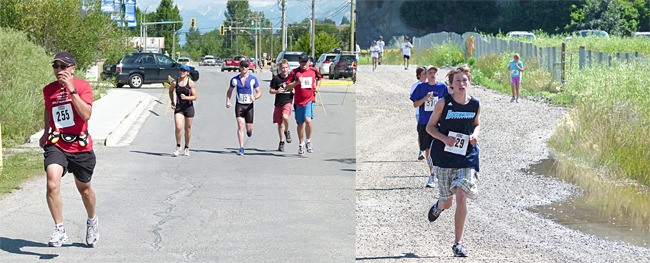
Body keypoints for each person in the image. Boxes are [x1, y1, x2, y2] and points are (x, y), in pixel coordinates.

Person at [39, 52, 99, 247]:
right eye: (55, 66)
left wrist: (72, 90)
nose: (59, 70)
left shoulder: (83, 87)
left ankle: (92, 221)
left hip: (80, 146)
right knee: (52, 184)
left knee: (85, 190)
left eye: (63, 66)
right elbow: (49, 109)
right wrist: (46, 132)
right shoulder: (49, 90)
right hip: (57, 144)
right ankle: (60, 229)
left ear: (73, 68)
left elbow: (86, 114)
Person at [426, 65, 481, 258]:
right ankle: (438, 206)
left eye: (464, 80)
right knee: (448, 202)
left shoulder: (475, 104)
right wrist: (443, 138)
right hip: (445, 157)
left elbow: (476, 125)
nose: (461, 83)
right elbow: (430, 128)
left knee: (460, 195)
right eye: (457, 81)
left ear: (469, 82)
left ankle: (457, 244)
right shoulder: (443, 103)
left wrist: (474, 135)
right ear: (451, 84)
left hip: (466, 157)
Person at [410, 66, 448, 188]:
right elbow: (415, 104)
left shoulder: (442, 87)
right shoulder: (421, 87)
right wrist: (425, 98)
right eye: (430, 73)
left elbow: (449, 102)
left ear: (437, 74)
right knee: (427, 149)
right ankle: (432, 175)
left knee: (441, 148)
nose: (432, 75)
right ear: (426, 75)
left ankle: (441, 173)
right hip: (424, 122)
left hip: (439, 122)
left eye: (434, 73)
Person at [286, 55, 321, 156]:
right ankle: (301, 143)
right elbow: (288, 86)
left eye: (306, 62)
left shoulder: (314, 70)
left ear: (309, 61)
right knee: (300, 124)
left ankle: (308, 141)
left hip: (310, 100)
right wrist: (297, 82)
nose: (304, 64)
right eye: (302, 62)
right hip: (298, 102)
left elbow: (319, 78)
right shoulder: (295, 72)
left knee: (308, 120)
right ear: (299, 62)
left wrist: (317, 87)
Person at [226, 60, 261, 156]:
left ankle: (249, 131)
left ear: (248, 67)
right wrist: (228, 101)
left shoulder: (253, 79)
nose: (244, 68)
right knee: (240, 124)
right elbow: (229, 91)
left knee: (248, 128)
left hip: (249, 106)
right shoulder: (234, 80)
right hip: (239, 105)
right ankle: (241, 147)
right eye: (242, 66)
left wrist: (255, 97)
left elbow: (259, 92)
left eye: (246, 66)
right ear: (240, 67)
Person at [169, 64, 198, 156]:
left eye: (184, 71)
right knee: (178, 126)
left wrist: (186, 97)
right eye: (181, 70)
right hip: (179, 107)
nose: (182, 72)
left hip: (189, 107)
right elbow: (170, 90)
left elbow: (195, 97)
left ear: (187, 73)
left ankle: (187, 147)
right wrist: (172, 102)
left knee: (187, 129)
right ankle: (178, 146)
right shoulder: (175, 82)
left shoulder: (190, 83)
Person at [269, 59, 293, 152]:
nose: (284, 69)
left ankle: (287, 131)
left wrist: (295, 90)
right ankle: (282, 141)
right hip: (278, 103)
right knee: (279, 123)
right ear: (280, 68)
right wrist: (276, 91)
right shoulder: (276, 79)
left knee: (285, 117)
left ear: (288, 68)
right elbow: (271, 90)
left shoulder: (292, 77)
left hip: (288, 101)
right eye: (283, 68)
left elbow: (297, 86)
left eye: (286, 67)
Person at [410, 66, 427, 161]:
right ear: (419, 75)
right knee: (421, 131)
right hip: (419, 113)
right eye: (424, 74)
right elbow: (414, 101)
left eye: (426, 74)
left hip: (431, 112)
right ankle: (421, 150)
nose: (426, 76)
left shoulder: (432, 85)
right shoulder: (415, 85)